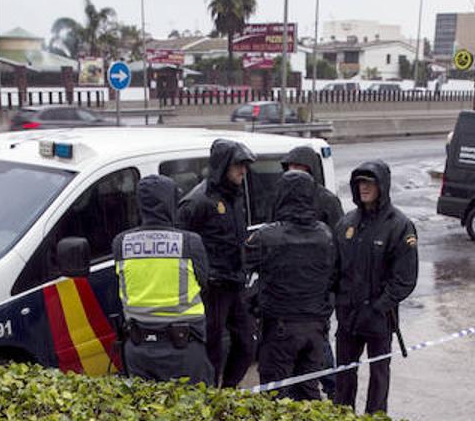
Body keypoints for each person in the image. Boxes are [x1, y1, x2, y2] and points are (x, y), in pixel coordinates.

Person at [333, 161, 418, 414]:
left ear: (382, 186)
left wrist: (379, 306)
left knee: (379, 374)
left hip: (379, 317)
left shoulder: (399, 225)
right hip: (348, 317)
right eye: (360, 183)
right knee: (344, 373)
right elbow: (335, 270)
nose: (364, 188)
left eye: (369, 183)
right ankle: (343, 419)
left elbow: (405, 279)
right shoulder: (346, 223)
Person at [244, 170, 337, 400]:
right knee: (308, 391)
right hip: (316, 328)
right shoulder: (325, 234)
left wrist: (254, 303)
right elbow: (334, 277)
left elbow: (240, 270)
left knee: (274, 397)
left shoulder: (266, 236)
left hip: (281, 329)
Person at [113, 175, 214, 384]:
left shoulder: (121, 243)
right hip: (183, 349)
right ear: (170, 202)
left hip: (138, 348)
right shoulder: (189, 242)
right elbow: (204, 282)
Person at [178, 139, 256, 387]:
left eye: (244, 166)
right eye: (238, 165)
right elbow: (181, 244)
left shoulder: (235, 196)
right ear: (223, 166)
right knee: (211, 348)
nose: (243, 171)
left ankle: (228, 389)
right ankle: (210, 397)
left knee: (247, 343)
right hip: (212, 288)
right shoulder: (198, 201)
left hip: (235, 284)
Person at [282, 144, 344, 397]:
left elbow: (338, 245)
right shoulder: (285, 196)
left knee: (319, 343)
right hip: (292, 285)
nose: (294, 172)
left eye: (300, 168)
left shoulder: (327, 201)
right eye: (291, 167)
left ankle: (333, 387)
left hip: (319, 287)